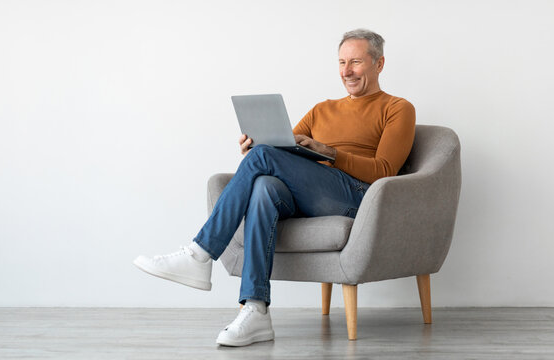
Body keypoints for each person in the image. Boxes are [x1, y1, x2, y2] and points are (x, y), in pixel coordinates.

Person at [133, 29, 415, 347]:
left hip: (356, 195)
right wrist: (255, 147)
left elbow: (384, 170)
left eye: (356, 62)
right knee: (264, 184)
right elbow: (280, 150)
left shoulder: (398, 108)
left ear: (379, 64)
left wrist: (329, 152)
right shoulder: (322, 109)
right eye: (341, 62)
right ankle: (255, 310)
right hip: (311, 193)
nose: (347, 71)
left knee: (264, 158)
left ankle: (200, 255)